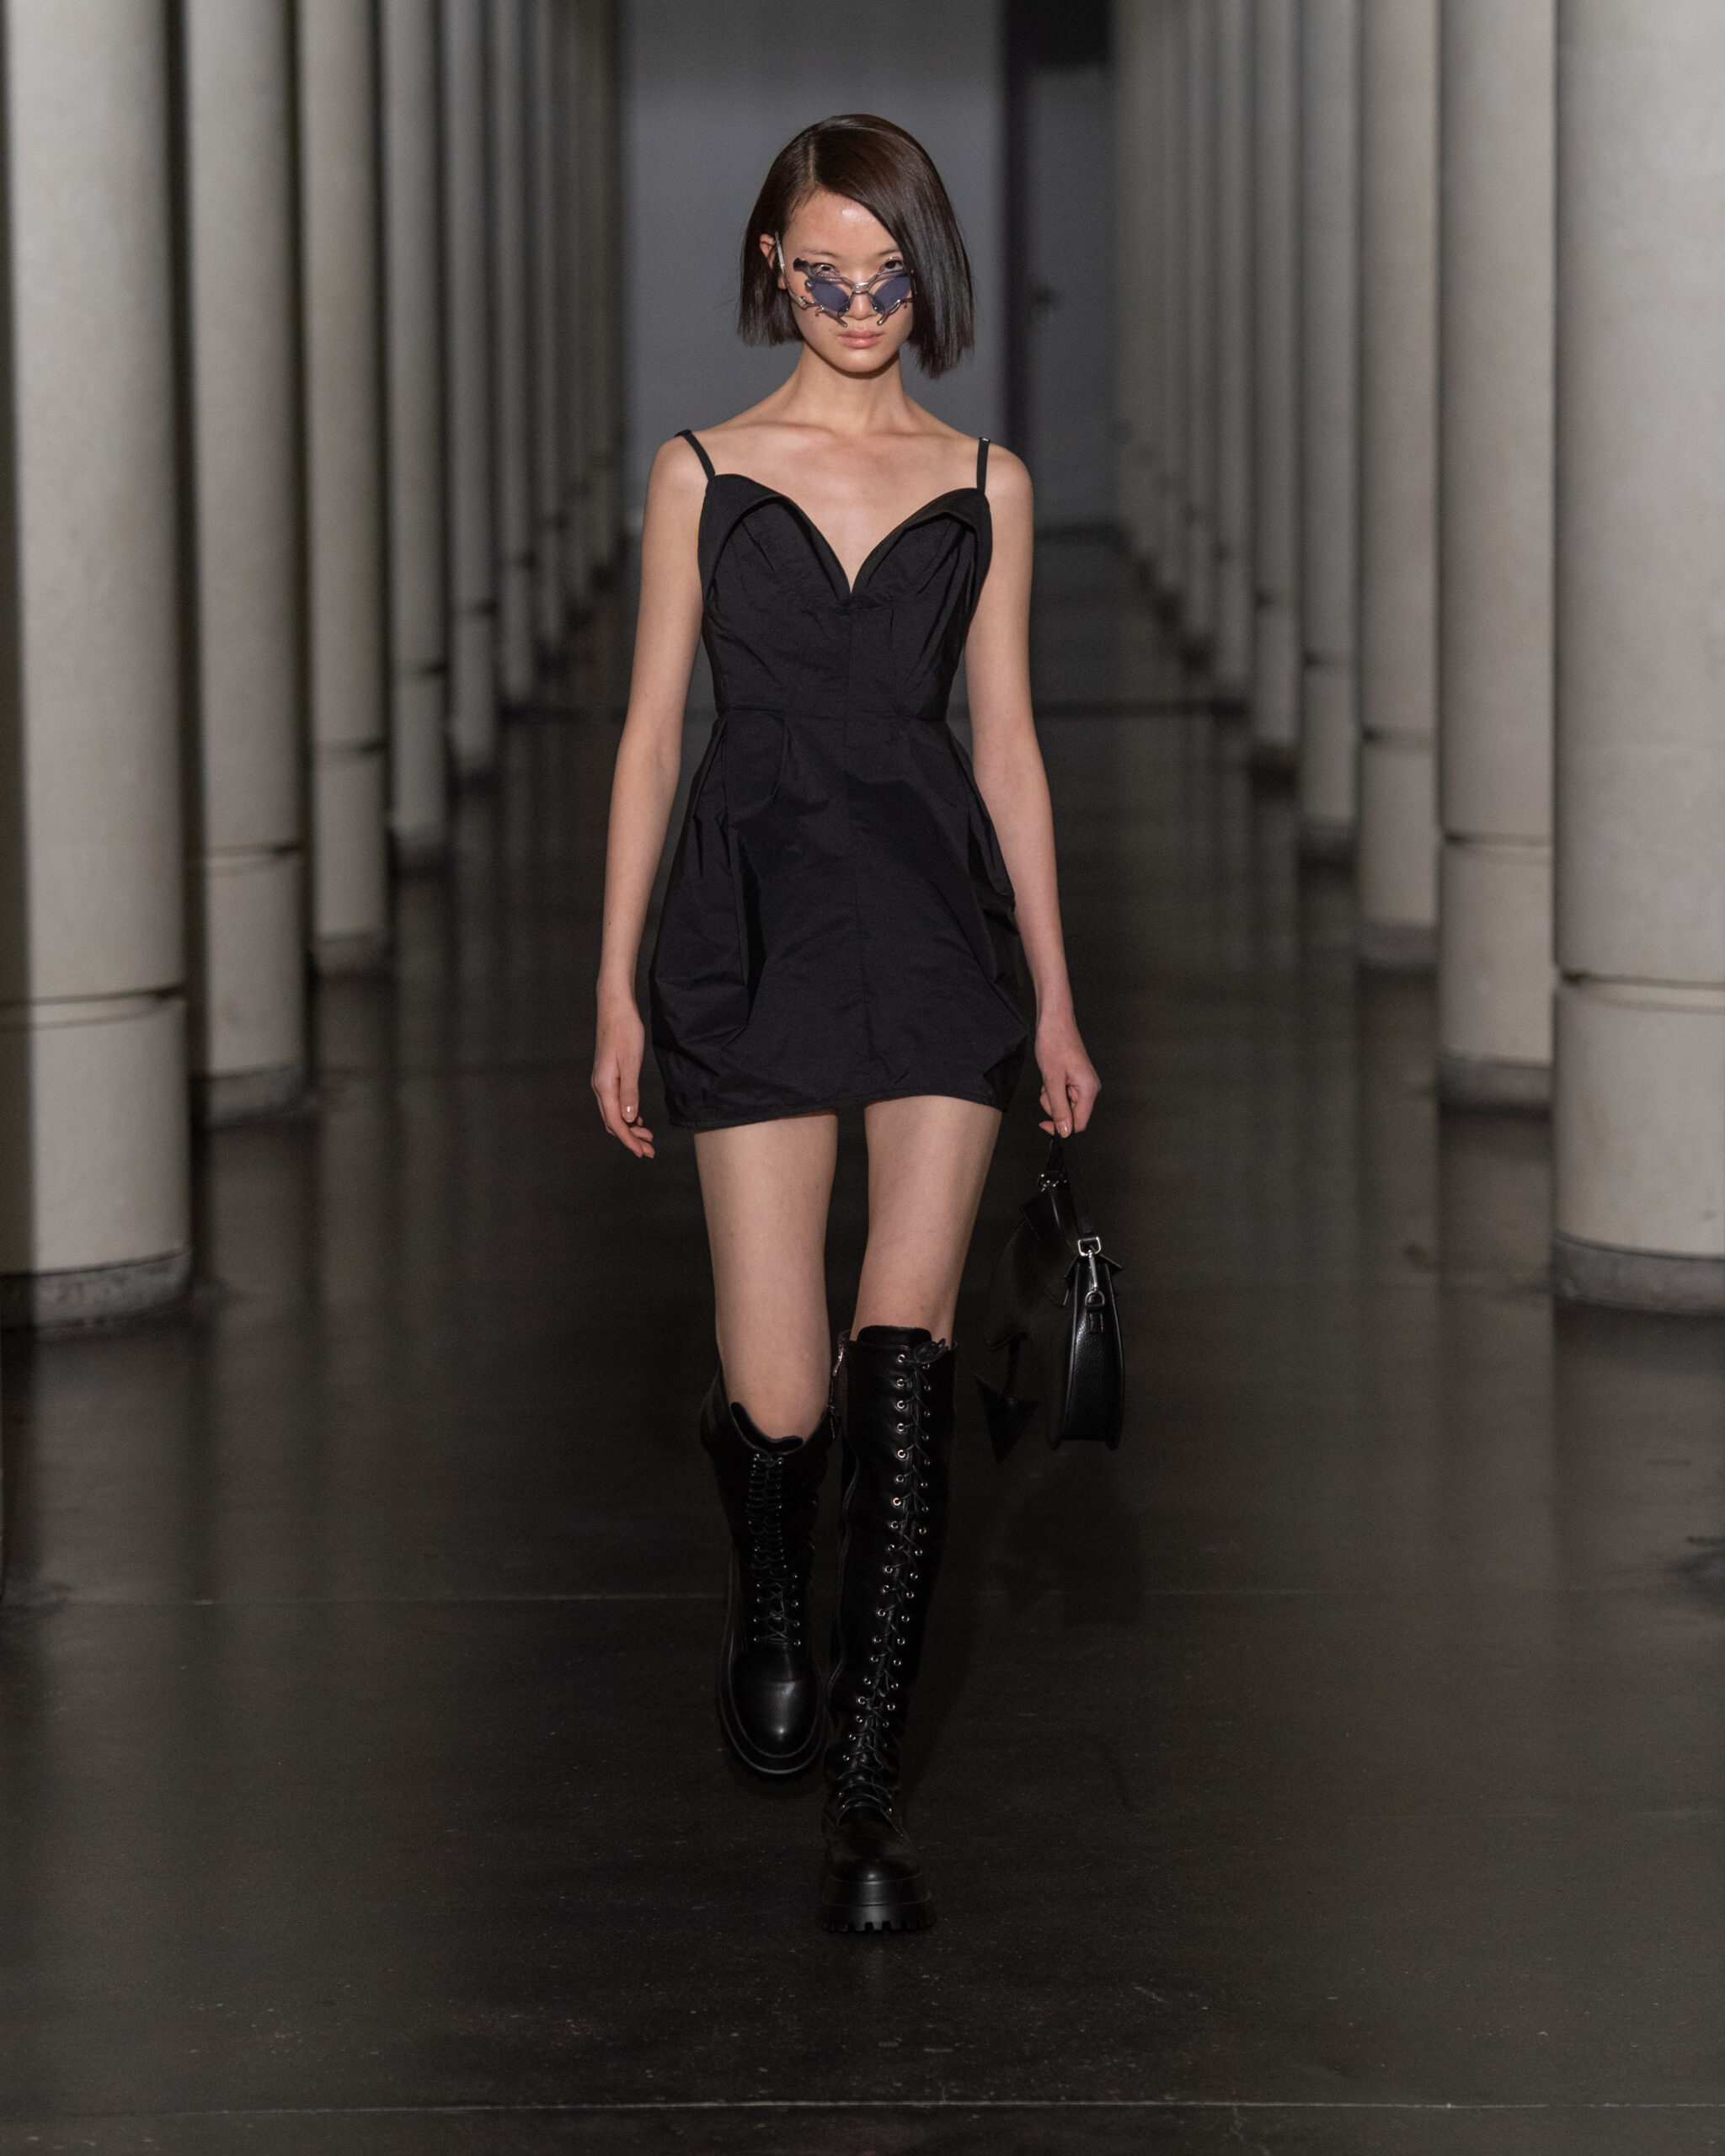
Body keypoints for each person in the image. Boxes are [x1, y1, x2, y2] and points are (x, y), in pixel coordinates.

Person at [590, 113, 1098, 1933]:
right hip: (748, 923)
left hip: (936, 929)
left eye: (890, 276)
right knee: (786, 1388)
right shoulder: (701, 474)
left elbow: (1009, 749)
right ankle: (767, 1559)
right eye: (828, 275)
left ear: (922, 274)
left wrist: (1055, 997)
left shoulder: (988, 482)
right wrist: (613, 985)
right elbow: (652, 737)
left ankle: (869, 1800)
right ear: (771, 270)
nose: (863, 307)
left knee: (907, 1358)